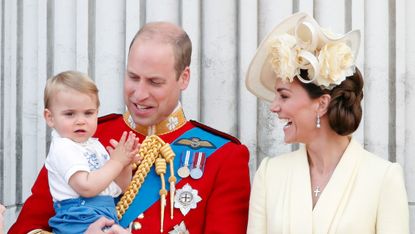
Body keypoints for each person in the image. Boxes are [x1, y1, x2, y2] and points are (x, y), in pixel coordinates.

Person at [10, 22, 251, 234]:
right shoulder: (84, 136)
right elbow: (25, 229)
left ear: (184, 78)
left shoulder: (223, 156)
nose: (139, 94)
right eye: (133, 78)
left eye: (155, 82)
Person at [245, 12, 409, 233]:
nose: (273, 107)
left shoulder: (383, 178)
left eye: (284, 96)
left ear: (322, 104)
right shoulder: (269, 174)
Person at [42, 71, 140, 234]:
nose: (81, 120)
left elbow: (122, 188)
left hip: (103, 213)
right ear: (50, 117)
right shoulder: (63, 147)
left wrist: (125, 165)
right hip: (78, 218)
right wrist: (116, 162)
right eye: (70, 114)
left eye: (88, 113)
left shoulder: (94, 145)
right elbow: (86, 187)